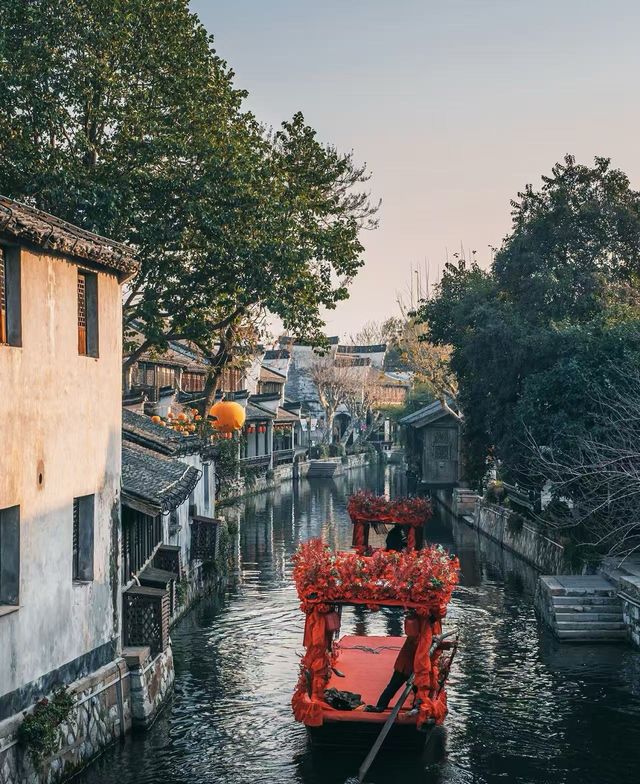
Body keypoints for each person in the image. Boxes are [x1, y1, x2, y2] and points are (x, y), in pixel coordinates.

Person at [365, 624, 419, 712]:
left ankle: (417, 707)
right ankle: (381, 706)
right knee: (394, 685)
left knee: (416, 688)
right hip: (407, 664)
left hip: (413, 664)